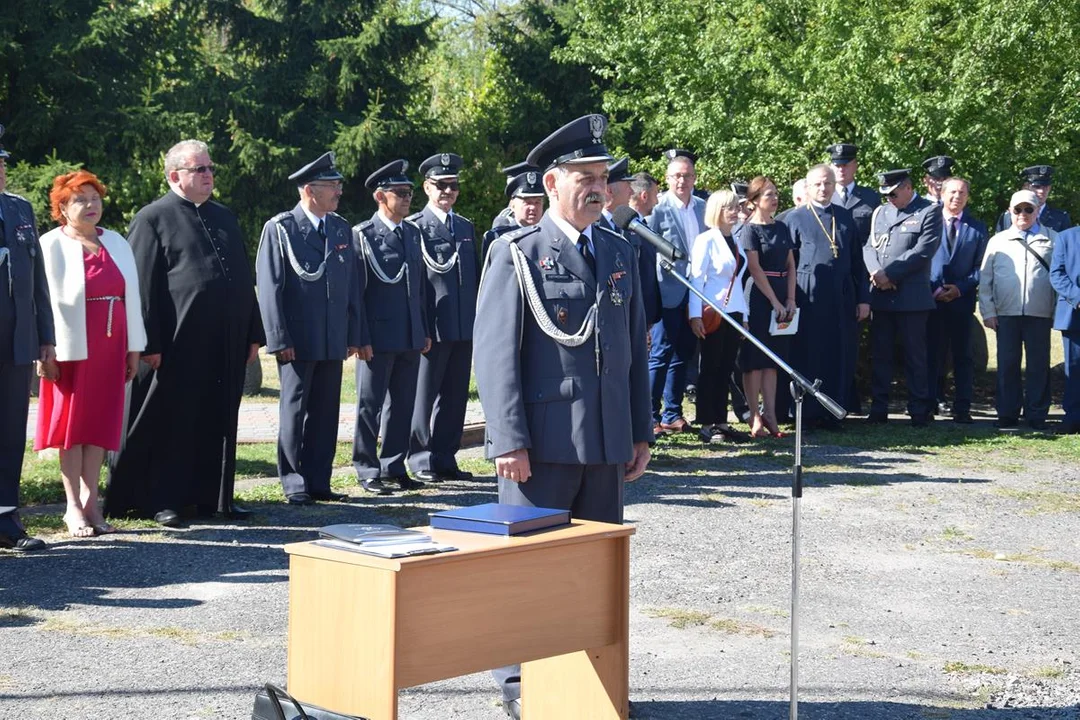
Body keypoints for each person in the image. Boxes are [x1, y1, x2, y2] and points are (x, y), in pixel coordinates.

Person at [474, 114, 652, 720]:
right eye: (586, 177)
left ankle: (592, 685)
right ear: (551, 182)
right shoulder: (518, 254)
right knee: (531, 570)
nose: (599, 187)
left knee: (594, 576)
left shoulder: (619, 250)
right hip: (542, 445)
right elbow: (495, 356)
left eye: (604, 177)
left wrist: (640, 431)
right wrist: (508, 440)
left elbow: (632, 352)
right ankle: (520, 685)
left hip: (604, 442)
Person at [106, 140, 264, 527]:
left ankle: (211, 499)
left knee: (217, 419)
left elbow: (242, 278)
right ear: (175, 175)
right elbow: (142, 285)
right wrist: (149, 343)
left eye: (210, 169)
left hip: (223, 340)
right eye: (200, 170)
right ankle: (162, 499)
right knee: (172, 422)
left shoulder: (224, 216)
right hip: (175, 344)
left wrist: (252, 333)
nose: (209, 176)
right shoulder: (152, 217)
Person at [36, 171, 146, 537]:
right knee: (73, 427)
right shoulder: (50, 244)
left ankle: (91, 502)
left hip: (112, 344)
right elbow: (43, 302)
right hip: (69, 347)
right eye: (80, 199)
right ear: (62, 208)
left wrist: (134, 349)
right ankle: (71, 507)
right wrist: (44, 350)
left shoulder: (116, 242)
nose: (90, 205)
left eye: (95, 198)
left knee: (100, 425)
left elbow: (132, 299)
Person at [256, 152, 367, 506]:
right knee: (295, 409)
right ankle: (293, 481)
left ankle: (319, 479)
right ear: (309, 190)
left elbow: (351, 287)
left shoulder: (339, 228)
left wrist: (354, 335)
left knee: (326, 411)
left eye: (338, 184)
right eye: (331, 185)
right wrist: (278, 338)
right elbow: (270, 287)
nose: (338, 191)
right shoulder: (282, 228)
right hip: (298, 339)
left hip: (332, 336)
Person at [351, 160, 430, 494]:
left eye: (410, 192)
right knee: (370, 405)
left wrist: (423, 329)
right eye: (400, 192)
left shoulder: (412, 232)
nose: (408, 197)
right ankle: (367, 468)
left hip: (409, 334)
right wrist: (360, 337)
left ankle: (394, 465)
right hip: (377, 337)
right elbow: (356, 294)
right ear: (380, 196)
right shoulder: (363, 235)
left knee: (403, 404)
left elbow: (421, 287)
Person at [407, 153, 478, 483]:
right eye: (441, 185)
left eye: (453, 186)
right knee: (424, 396)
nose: (448, 191)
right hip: (432, 328)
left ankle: (445, 456)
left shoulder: (464, 227)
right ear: (426, 187)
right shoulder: (415, 228)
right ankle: (420, 458)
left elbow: (473, 279)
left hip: (462, 326)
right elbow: (415, 285)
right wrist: (419, 327)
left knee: (454, 396)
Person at [0, 124, 54, 551]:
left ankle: (7, 520)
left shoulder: (19, 210)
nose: (0, 170)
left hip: (16, 342)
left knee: (10, 431)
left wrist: (45, 338)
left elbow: (38, 283)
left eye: (2, 163)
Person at [784, 165, 869, 431]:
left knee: (838, 351)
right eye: (818, 184)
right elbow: (787, 264)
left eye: (828, 184)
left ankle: (834, 410)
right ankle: (807, 412)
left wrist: (863, 299)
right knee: (810, 351)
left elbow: (858, 262)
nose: (823, 189)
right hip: (807, 294)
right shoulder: (793, 218)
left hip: (842, 294)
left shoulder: (844, 218)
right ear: (808, 188)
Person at [863, 169, 942, 426]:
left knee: (914, 355)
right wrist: (876, 272)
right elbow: (869, 245)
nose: (890, 198)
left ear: (908, 187)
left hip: (911, 297)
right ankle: (879, 407)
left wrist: (890, 274)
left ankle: (919, 408)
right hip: (882, 296)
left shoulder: (928, 211)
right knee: (881, 354)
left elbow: (923, 250)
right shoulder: (881, 212)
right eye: (885, 194)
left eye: (894, 193)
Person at [979, 190, 1056, 430]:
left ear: (1036, 211)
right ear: (1010, 212)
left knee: (1038, 365)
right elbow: (985, 280)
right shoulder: (997, 240)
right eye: (1018, 210)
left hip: (1040, 312)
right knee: (1008, 364)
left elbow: (1058, 276)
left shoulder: (1052, 238)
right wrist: (988, 311)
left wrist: (1055, 311)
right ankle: (1007, 413)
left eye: (1028, 209)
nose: (1023, 214)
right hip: (1006, 313)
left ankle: (1036, 414)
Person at [646, 149, 705, 434]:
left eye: (687, 176)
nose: (682, 181)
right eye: (676, 176)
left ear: (695, 178)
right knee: (660, 353)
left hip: (698, 293)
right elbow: (648, 247)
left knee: (684, 352)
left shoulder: (703, 208)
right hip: (668, 290)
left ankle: (673, 412)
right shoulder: (658, 209)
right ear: (667, 179)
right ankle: (650, 415)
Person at [688, 189, 751, 443]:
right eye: (730, 208)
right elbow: (696, 279)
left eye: (736, 207)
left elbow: (737, 281)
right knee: (710, 367)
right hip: (712, 310)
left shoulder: (734, 239)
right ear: (717, 211)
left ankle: (722, 422)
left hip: (734, 311)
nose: (735, 212)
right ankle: (706, 422)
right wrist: (695, 315)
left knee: (726, 368)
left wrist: (744, 314)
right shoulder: (707, 240)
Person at [926, 176, 988, 424]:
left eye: (962, 193)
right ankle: (928, 404)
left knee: (963, 357)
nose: (956, 197)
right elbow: (919, 260)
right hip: (932, 301)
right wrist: (934, 289)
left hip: (961, 303)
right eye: (952, 192)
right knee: (933, 355)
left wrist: (959, 289)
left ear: (967, 197)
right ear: (942, 194)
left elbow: (982, 267)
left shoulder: (978, 228)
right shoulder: (928, 222)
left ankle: (962, 408)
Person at [740, 176, 797, 438]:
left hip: (782, 292)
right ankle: (754, 416)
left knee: (773, 359)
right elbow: (754, 267)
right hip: (759, 297)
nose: (774, 199)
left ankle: (771, 414)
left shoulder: (782, 227)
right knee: (754, 359)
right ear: (753, 201)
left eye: (775, 193)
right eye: (767, 195)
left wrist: (790, 299)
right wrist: (773, 301)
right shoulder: (749, 229)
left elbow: (791, 265)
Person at [828, 142, 880, 414]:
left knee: (852, 342)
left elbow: (876, 242)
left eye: (846, 164)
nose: (841, 169)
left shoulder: (870, 198)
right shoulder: (822, 196)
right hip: (828, 280)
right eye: (836, 165)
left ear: (855, 166)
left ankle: (849, 397)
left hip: (858, 277)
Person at [481, 162, 544, 264]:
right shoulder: (498, 237)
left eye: (538, 202)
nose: (533, 207)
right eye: (527, 202)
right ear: (513, 204)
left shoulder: (550, 235)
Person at [1050, 225, 1080, 434]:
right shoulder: (1066, 237)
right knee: (1075, 366)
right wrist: (1078, 297)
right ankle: (1073, 417)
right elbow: (1057, 273)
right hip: (1074, 312)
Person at [627, 171, 663, 326]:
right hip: (636, 313)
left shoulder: (642, 224)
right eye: (655, 195)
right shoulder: (628, 227)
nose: (657, 201)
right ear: (644, 196)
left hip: (645, 312)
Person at [995, 165, 1072, 234]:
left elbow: (1066, 246)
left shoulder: (1060, 218)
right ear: (1026, 186)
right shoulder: (1009, 216)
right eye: (1037, 187)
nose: (1041, 191)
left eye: (1045, 187)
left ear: (1049, 188)